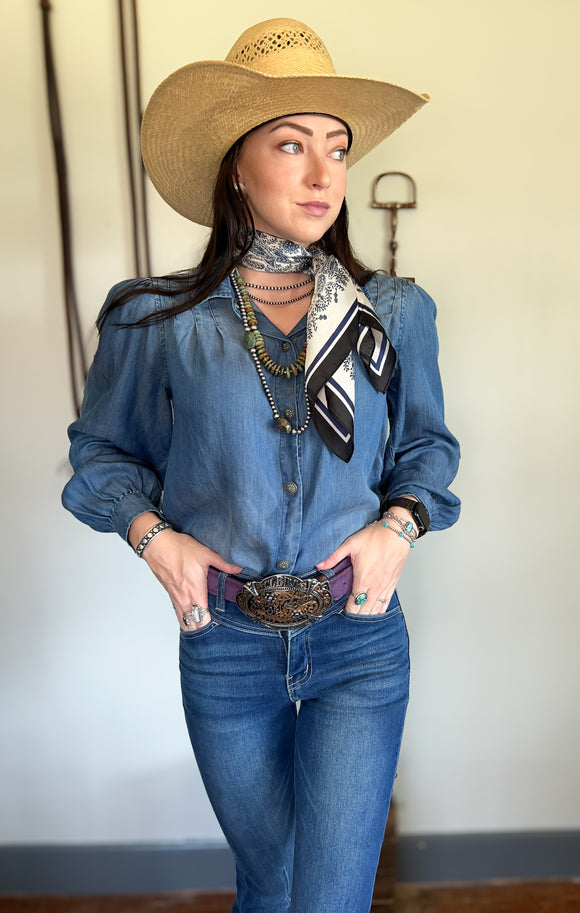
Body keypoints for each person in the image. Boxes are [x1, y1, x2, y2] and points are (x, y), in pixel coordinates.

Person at [62, 17, 460, 913]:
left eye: (338, 148)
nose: (324, 174)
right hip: (227, 648)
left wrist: (399, 527)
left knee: (328, 898)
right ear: (234, 165)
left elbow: (428, 450)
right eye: (291, 144)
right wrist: (154, 537)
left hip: (358, 640)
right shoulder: (155, 319)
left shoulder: (390, 313)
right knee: (268, 885)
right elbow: (100, 453)